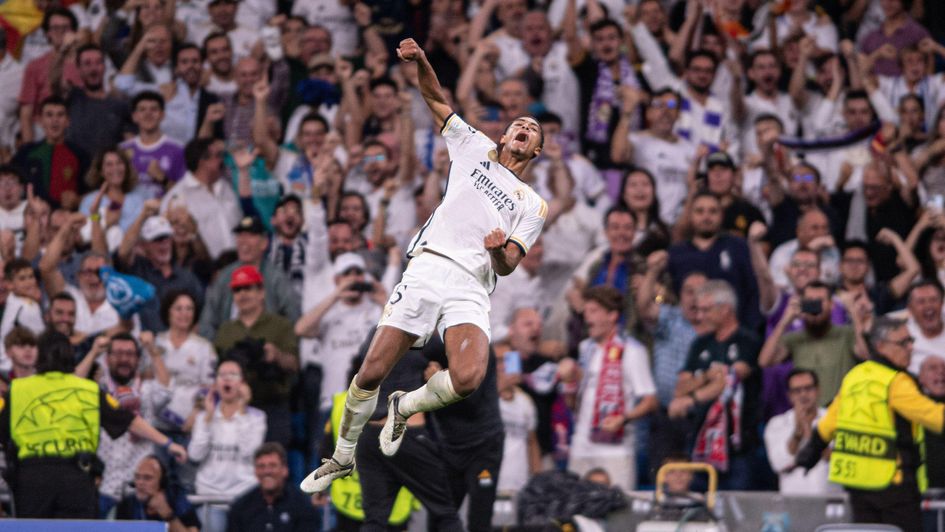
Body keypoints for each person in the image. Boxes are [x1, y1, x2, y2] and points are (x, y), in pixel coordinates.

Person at [301, 36, 547, 492]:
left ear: (534, 151)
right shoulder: (473, 147)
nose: (523, 127)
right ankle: (342, 457)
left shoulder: (532, 203)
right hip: (428, 266)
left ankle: (406, 405)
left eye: (532, 129)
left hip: (472, 284)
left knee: (470, 378)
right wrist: (422, 60)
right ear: (504, 134)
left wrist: (495, 251)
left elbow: (510, 262)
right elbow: (435, 99)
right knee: (371, 371)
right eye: (518, 122)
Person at [0, 331, 186, 518]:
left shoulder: (16, 390)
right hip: (75, 480)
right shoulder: (89, 389)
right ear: (69, 355)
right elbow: (129, 420)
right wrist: (168, 444)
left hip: (32, 481)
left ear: (39, 355)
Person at [795, 316, 945, 532]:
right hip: (895, 487)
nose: (910, 347)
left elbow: (828, 424)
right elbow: (934, 417)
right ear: (881, 346)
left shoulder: (854, 376)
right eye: (903, 343)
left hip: (858, 486)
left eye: (910, 340)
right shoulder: (896, 381)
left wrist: (810, 453)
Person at [569, 286, 657, 491]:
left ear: (612, 316)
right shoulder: (585, 348)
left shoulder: (632, 350)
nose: (586, 317)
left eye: (593, 311)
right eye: (586, 311)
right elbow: (576, 404)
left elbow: (650, 401)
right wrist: (568, 383)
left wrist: (623, 418)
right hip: (581, 446)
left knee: (617, 514)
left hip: (616, 451)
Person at [214, 264, 299, 446]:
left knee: (272, 462)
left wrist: (276, 355)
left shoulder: (280, 325)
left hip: (272, 404)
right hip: (235, 407)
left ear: (261, 292)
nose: (242, 294)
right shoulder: (226, 331)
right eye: (237, 290)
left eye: (248, 288)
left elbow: (294, 365)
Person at [188, 359, 267, 532]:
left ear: (242, 383)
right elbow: (195, 455)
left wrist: (242, 412)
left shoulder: (256, 418)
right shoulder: (204, 417)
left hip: (244, 495)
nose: (227, 380)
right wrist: (208, 419)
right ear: (216, 383)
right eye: (222, 375)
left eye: (233, 375)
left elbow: (250, 453)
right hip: (210, 496)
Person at [763, 369, 838, 495]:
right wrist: (797, 435)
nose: (803, 394)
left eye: (808, 388)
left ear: (818, 390)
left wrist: (810, 435)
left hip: (830, 500)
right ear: (789, 396)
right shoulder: (777, 424)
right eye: (797, 391)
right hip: (792, 502)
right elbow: (779, 463)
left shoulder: (833, 419)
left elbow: (838, 460)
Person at [226, 442, 319, 532]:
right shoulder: (240, 508)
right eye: (261, 466)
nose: (267, 471)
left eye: (273, 465)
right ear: (255, 471)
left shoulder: (303, 506)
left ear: (285, 470)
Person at [115, 455, 201, 531]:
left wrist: (168, 515)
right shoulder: (127, 504)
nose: (140, 483)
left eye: (147, 478)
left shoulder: (178, 500)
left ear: (162, 482)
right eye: (137, 477)